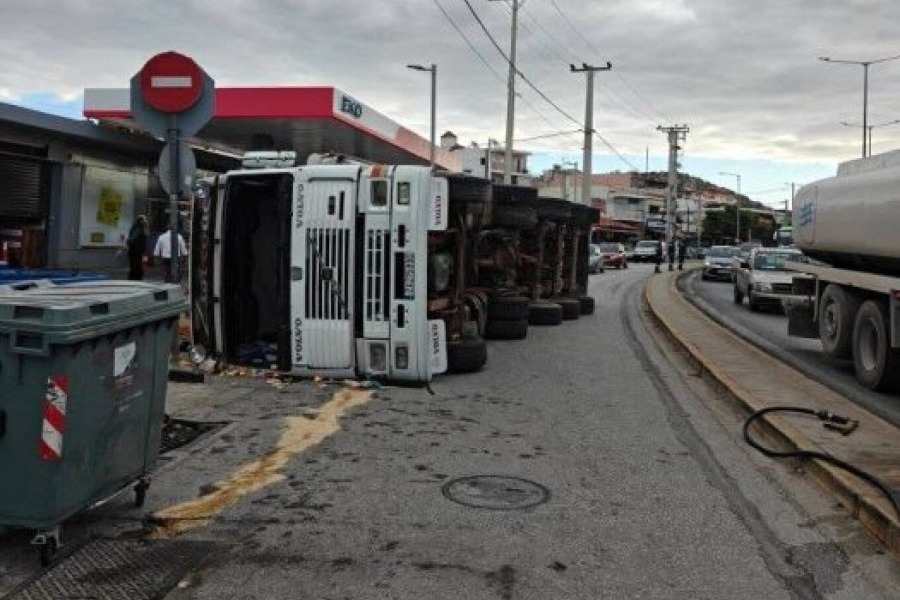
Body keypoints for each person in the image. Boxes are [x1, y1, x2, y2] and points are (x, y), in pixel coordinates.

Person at [126, 215, 148, 280]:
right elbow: (131, 239)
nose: (146, 220)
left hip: (136, 251)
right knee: (136, 266)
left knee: (136, 266)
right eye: (144, 219)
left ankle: (135, 278)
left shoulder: (139, 227)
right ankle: (135, 279)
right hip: (136, 252)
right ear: (140, 220)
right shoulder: (138, 228)